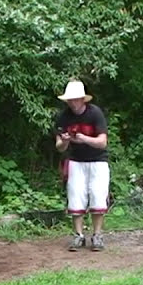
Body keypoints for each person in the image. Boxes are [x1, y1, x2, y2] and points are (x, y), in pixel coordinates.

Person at [54, 79, 109, 251]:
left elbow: (102, 142)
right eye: (70, 100)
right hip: (76, 161)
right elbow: (59, 147)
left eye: (76, 99)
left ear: (83, 99)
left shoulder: (95, 113)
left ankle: (97, 235)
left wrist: (83, 139)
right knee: (75, 196)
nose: (73, 103)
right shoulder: (63, 117)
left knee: (97, 195)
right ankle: (78, 235)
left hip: (98, 160)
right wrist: (65, 141)